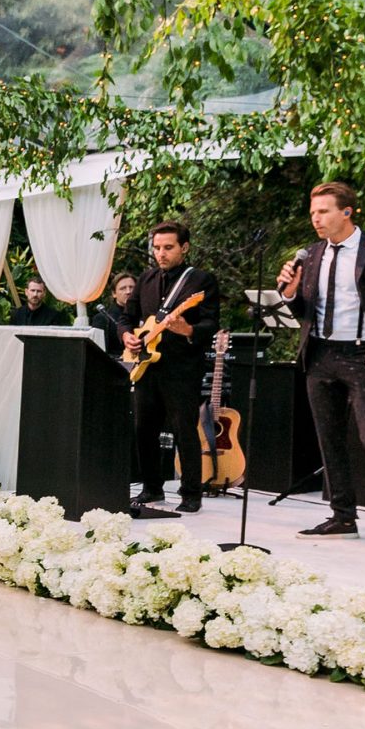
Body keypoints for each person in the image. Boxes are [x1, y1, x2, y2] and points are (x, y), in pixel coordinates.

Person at [276, 179, 365, 553]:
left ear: (347, 212)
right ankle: (343, 517)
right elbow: (306, 312)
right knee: (329, 439)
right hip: (320, 355)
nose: (316, 219)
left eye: (323, 211)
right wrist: (289, 295)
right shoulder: (311, 254)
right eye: (312, 213)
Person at [129, 220, 220, 518]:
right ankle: (152, 486)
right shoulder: (146, 279)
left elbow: (211, 323)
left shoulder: (201, 281)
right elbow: (126, 316)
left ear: (185, 248)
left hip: (182, 368)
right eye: (157, 248)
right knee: (144, 429)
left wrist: (188, 328)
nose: (161, 253)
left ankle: (191, 493)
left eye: (168, 247)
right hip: (146, 366)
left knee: (184, 430)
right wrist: (126, 336)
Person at [94, 270, 139, 356]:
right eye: (123, 288)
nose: (128, 292)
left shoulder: (144, 315)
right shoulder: (103, 318)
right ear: (114, 293)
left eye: (132, 287)